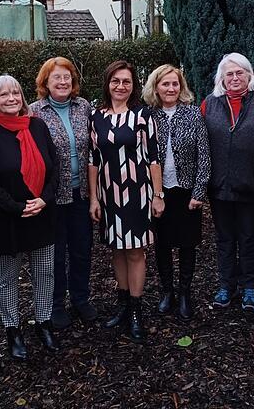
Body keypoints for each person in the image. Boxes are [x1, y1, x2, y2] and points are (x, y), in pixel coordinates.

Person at [0, 75, 60, 359]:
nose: (12, 98)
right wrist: (15, 207)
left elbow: (55, 166)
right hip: (6, 218)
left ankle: (43, 322)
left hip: (41, 213)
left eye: (15, 93)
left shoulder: (37, 126)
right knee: (7, 278)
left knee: (45, 273)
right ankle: (12, 330)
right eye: (4, 95)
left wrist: (45, 199)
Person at [89, 60, 164, 344]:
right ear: (108, 83)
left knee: (135, 252)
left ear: (133, 86)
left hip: (137, 193)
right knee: (117, 251)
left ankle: (136, 310)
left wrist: (158, 196)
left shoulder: (143, 115)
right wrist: (94, 198)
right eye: (116, 81)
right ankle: (121, 305)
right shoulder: (96, 116)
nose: (121, 86)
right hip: (109, 195)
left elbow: (154, 157)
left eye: (127, 82)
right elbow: (92, 160)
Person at [201, 52, 254, 312]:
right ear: (221, 78)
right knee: (224, 238)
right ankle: (226, 285)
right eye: (229, 74)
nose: (235, 78)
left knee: (248, 237)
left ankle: (250, 288)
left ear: (249, 75)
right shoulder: (209, 104)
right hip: (218, 186)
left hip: (250, 185)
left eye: (239, 73)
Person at [30, 57, 95, 330]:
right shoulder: (34, 111)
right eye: (56, 77)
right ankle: (56, 303)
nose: (63, 82)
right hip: (52, 197)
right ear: (45, 82)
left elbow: (92, 150)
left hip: (81, 193)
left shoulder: (84, 107)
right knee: (54, 254)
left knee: (82, 249)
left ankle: (80, 298)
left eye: (67, 77)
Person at [142, 64, 211, 320]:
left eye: (175, 84)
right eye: (165, 84)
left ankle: (184, 293)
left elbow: (204, 156)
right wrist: (150, 194)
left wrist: (199, 191)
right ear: (156, 87)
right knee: (162, 244)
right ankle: (167, 291)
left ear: (181, 87)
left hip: (186, 191)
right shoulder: (147, 115)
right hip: (158, 193)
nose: (171, 88)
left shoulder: (193, 114)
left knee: (187, 245)